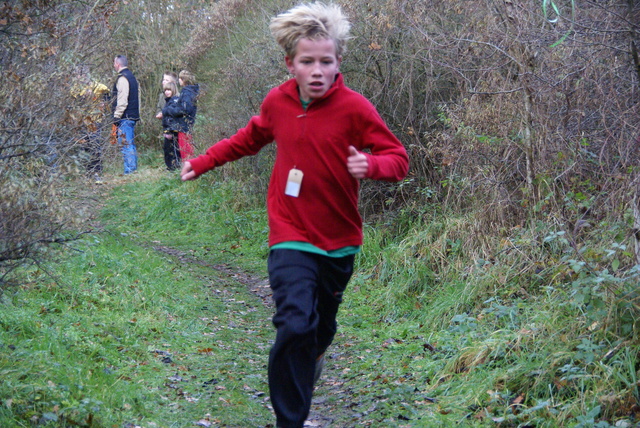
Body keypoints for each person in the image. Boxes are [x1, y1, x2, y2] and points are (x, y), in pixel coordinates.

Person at [181, 3, 409, 426]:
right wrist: (204, 161)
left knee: (320, 328)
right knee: (294, 323)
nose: (318, 70)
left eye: (327, 61)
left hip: (339, 239)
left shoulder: (355, 108)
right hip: (289, 232)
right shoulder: (278, 103)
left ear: (339, 62)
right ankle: (291, 420)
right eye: (308, 62)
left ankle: (316, 352)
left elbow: (398, 158)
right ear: (291, 64)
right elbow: (248, 139)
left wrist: (372, 165)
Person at [111, 55, 140, 175]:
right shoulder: (132, 77)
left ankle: (130, 171)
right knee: (129, 144)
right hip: (132, 115)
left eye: (114, 63)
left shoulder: (123, 78)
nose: (113, 65)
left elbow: (122, 100)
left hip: (125, 117)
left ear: (117, 64)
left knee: (126, 144)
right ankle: (131, 170)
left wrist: (116, 117)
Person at [164, 70, 198, 161]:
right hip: (185, 124)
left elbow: (185, 109)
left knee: (186, 150)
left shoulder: (187, 92)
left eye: (179, 78)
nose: (178, 81)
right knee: (185, 149)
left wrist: (170, 110)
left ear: (183, 80)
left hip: (184, 125)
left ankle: (189, 169)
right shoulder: (189, 91)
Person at [160, 81, 182, 171]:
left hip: (173, 130)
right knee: (167, 149)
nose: (167, 92)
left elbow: (173, 116)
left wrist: (170, 130)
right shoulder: (168, 101)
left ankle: (174, 167)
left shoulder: (175, 101)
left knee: (173, 149)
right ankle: (170, 167)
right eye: (165, 90)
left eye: (169, 90)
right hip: (167, 129)